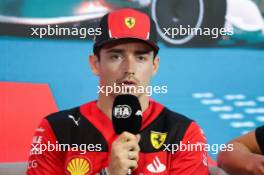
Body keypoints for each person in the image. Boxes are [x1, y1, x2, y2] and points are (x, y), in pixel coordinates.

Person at [27, 8, 210, 175]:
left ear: (154, 66)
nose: (129, 68)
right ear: (95, 64)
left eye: (140, 57)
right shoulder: (56, 129)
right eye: (116, 56)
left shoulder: (183, 133)